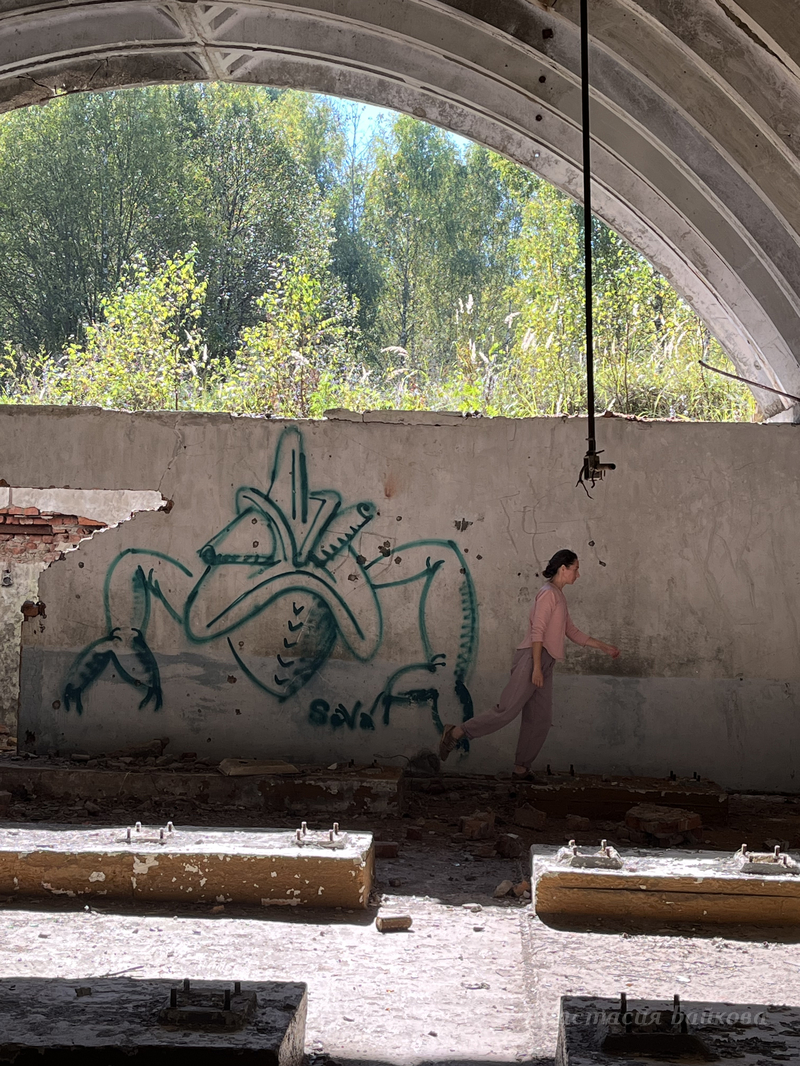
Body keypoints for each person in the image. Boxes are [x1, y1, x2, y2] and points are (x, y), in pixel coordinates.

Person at [438, 549, 619, 779]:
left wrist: (604, 647)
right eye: (576, 569)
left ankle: (521, 769)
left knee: (540, 719)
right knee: (506, 711)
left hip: (546, 661)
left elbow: (571, 631)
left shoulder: (558, 595)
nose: (578, 575)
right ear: (563, 568)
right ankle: (455, 733)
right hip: (532, 659)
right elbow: (537, 632)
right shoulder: (547, 594)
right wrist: (535, 667)